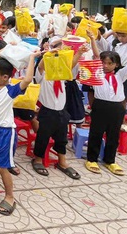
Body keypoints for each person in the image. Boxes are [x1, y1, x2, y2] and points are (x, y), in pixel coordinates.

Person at [0, 52, 38, 216]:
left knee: (2, 166)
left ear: (5, 77)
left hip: (5, 132)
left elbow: (27, 80)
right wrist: (4, 51)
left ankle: (9, 197)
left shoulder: (10, 90)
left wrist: (31, 58)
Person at [30, 38, 85, 179]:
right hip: (47, 112)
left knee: (62, 138)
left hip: (61, 111)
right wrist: (48, 55)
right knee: (43, 137)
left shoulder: (61, 76)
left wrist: (78, 53)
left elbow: (70, 66)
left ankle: (62, 161)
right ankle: (37, 159)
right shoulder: (42, 76)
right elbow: (41, 67)